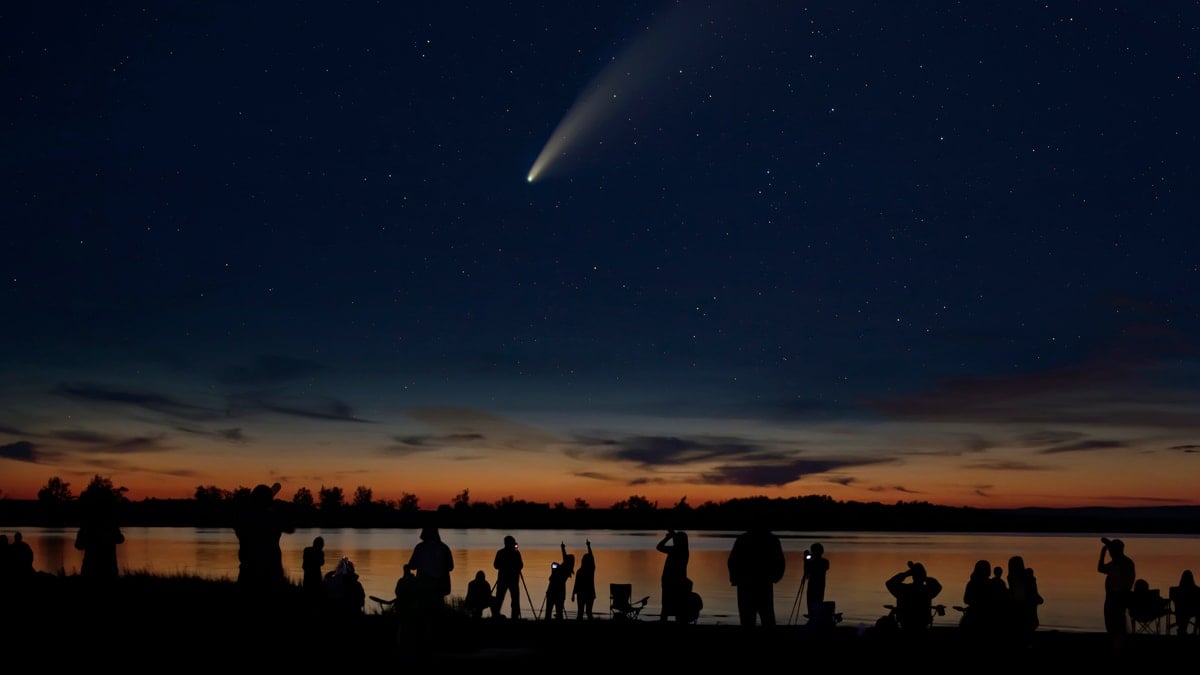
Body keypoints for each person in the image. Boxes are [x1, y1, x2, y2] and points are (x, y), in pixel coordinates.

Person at [233, 482, 296, 594]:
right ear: (268, 502)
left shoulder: (243, 519)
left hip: (247, 573)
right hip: (271, 574)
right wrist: (277, 509)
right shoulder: (272, 518)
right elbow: (291, 528)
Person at [727, 525, 786, 627]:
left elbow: (732, 561)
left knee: (749, 618)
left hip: (749, 584)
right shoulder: (772, 540)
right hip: (762, 583)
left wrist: (735, 578)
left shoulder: (743, 539)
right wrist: (776, 577)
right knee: (766, 617)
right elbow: (780, 562)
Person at [74, 484, 125, 581]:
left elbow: (78, 545)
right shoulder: (109, 522)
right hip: (109, 571)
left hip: (90, 571)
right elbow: (120, 539)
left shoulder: (88, 523)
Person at [885, 561, 943, 633]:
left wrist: (905, 574)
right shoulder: (927, 591)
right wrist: (925, 578)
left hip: (905, 625)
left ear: (912, 577)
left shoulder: (904, 590)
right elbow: (938, 586)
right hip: (921, 626)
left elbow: (889, 583)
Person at [1097, 537, 1135, 648]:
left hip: (1115, 598)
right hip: (1122, 597)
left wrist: (1103, 553)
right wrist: (1108, 545)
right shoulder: (1127, 562)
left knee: (1113, 624)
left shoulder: (1117, 564)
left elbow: (1100, 568)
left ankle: (1117, 645)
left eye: (1110, 552)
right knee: (1119, 624)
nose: (1110, 553)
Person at [407, 525, 454, 613]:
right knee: (438, 609)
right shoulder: (444, 548)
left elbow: (412, 565)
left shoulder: (420, 547)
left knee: (423, 609)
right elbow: (451, 567)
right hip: (440, 585)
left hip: (422, 584)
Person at [960, 559, 1005, 637]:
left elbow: (966, 599)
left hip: (973, 616)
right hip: (988, 617)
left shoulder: (971, 583)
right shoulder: (991, 583)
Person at [1006, 555, 1043, 641]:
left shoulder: (1014, 578)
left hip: (1021, 613)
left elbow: (1019, 596)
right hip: (1026, 613)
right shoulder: (1027, 578)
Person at [656, 529, 690, 621]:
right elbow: (679, 539)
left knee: (665, 606)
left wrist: (668, 538)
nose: (674, 540)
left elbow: (659, 547)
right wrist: (673, 535)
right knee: (678, 607)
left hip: (669, 582)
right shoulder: (684, 550)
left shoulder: (675, 550)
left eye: (676, 539)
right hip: (680, 582)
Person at [493, 534, 524, 619]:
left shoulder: (501, 552)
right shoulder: (516, 553)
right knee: (513, 599)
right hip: (511, 580)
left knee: (500, 598)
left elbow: (496, 565)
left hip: (504, 579)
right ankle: (514, 616)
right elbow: (521, 566)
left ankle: (496, 614)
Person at [544, 541, 575, 620]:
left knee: (551, 611)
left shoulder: (565, 569)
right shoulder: (566, 569)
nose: (565, 559)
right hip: (559, 593)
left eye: (567, 559)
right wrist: (563, 548)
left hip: (554, 592)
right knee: (558, 611)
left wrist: (562, 548)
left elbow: (564, 559)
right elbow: (565, 557)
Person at [803, 542, 831, 625]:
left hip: (817, 585)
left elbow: (808, 572)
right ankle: (813, 618)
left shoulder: (824, 562)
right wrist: (806, 561)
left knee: (816, 602)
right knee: (812, 602)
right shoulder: (821, 562)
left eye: (814, 551)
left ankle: (814, 619)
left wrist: (807, 561)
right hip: (815, 585)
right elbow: (807, 573)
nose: (813, 553)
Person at [572, 539, 597, 620]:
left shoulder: (580, 571)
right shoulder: (590, 570)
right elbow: (592, 557)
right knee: (588, 612)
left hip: (581, 594)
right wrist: (589, 546)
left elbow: (576, 584)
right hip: (589, 594)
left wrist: (573, 594)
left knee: (580, 612)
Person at [1169, 569, 1199, 636]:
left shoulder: (1176, 591)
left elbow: (1171, 599)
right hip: (1193, 611)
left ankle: (1182, 630)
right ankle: (1194, 631)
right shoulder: (1196, 590)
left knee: (1183, 612)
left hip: (1180, 612)